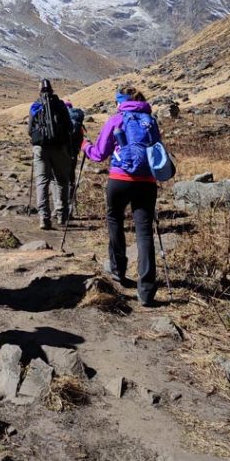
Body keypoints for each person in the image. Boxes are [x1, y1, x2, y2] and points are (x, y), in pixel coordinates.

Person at [81, 87, 159, 306]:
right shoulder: (150, 121)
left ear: (121, 102)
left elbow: (99, 154)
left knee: (115, 220)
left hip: (120, 179)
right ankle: (146, 290)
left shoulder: (116, 120)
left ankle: (118, 271)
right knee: (144, 233)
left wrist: (84, 146)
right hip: (147, 182)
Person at [28, 79, 72, 229]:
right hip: (59, 147)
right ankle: (61, 215)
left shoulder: (35, 106)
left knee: (42, 181)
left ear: (39, 90)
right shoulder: (60, 105)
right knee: (61, 180)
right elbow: (69, 126)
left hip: (40, 148)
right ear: (52, 90)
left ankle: (43, 218)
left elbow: (30, 130)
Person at [65, 100, 86, 202]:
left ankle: (60, 205)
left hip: (62, 152)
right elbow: (81, 139)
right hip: (74, 153)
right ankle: (70, 205)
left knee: (58, 179)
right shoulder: (78, 122)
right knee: (71, 178)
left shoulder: (63, 119)